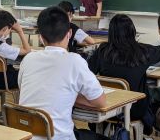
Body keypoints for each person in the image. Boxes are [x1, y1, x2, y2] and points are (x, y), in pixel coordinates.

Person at [18, 7, 107, 140]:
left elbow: (23, 89)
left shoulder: (28, 59)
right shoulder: (75, 61)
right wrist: (71, 96)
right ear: (69, 33)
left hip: (26, 136)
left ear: (41, 37)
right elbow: (101, 102)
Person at [88, 14, 160, 135]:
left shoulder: (102, 51)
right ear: (132, 31)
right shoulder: (142, 51)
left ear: (111, 33)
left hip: (106, 107)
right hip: (134, 110)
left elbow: (87, 72)